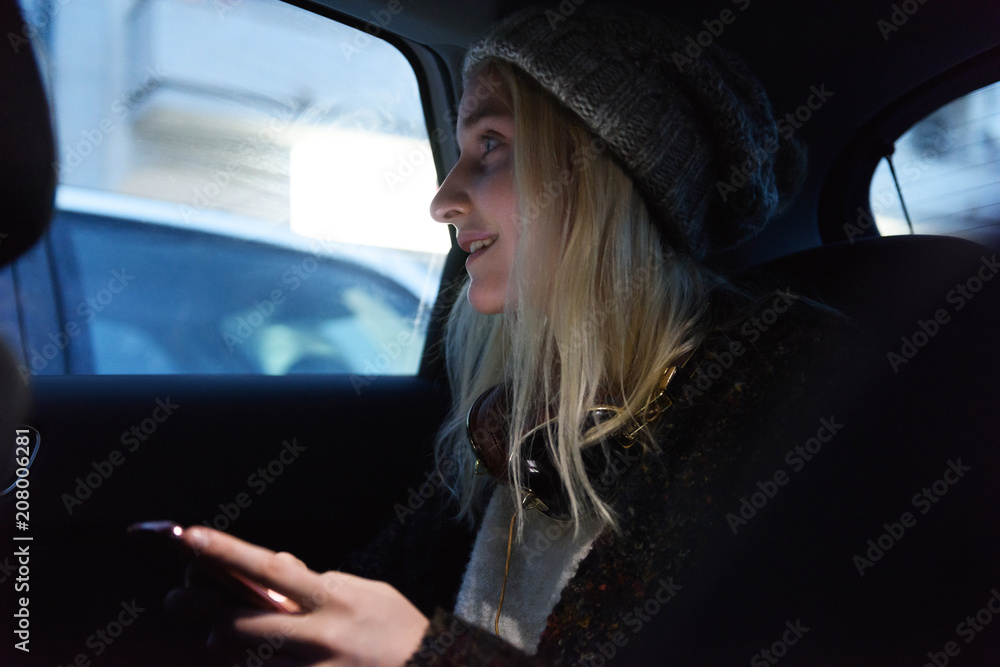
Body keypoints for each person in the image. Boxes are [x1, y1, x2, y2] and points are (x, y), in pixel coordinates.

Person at [166, 8, 870, 665]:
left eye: (492, 144)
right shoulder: (519, 416)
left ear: (605, 172)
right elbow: (388, 588)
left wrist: (426, 653)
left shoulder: (791, 381)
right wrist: (297, 619)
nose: (442, 200)